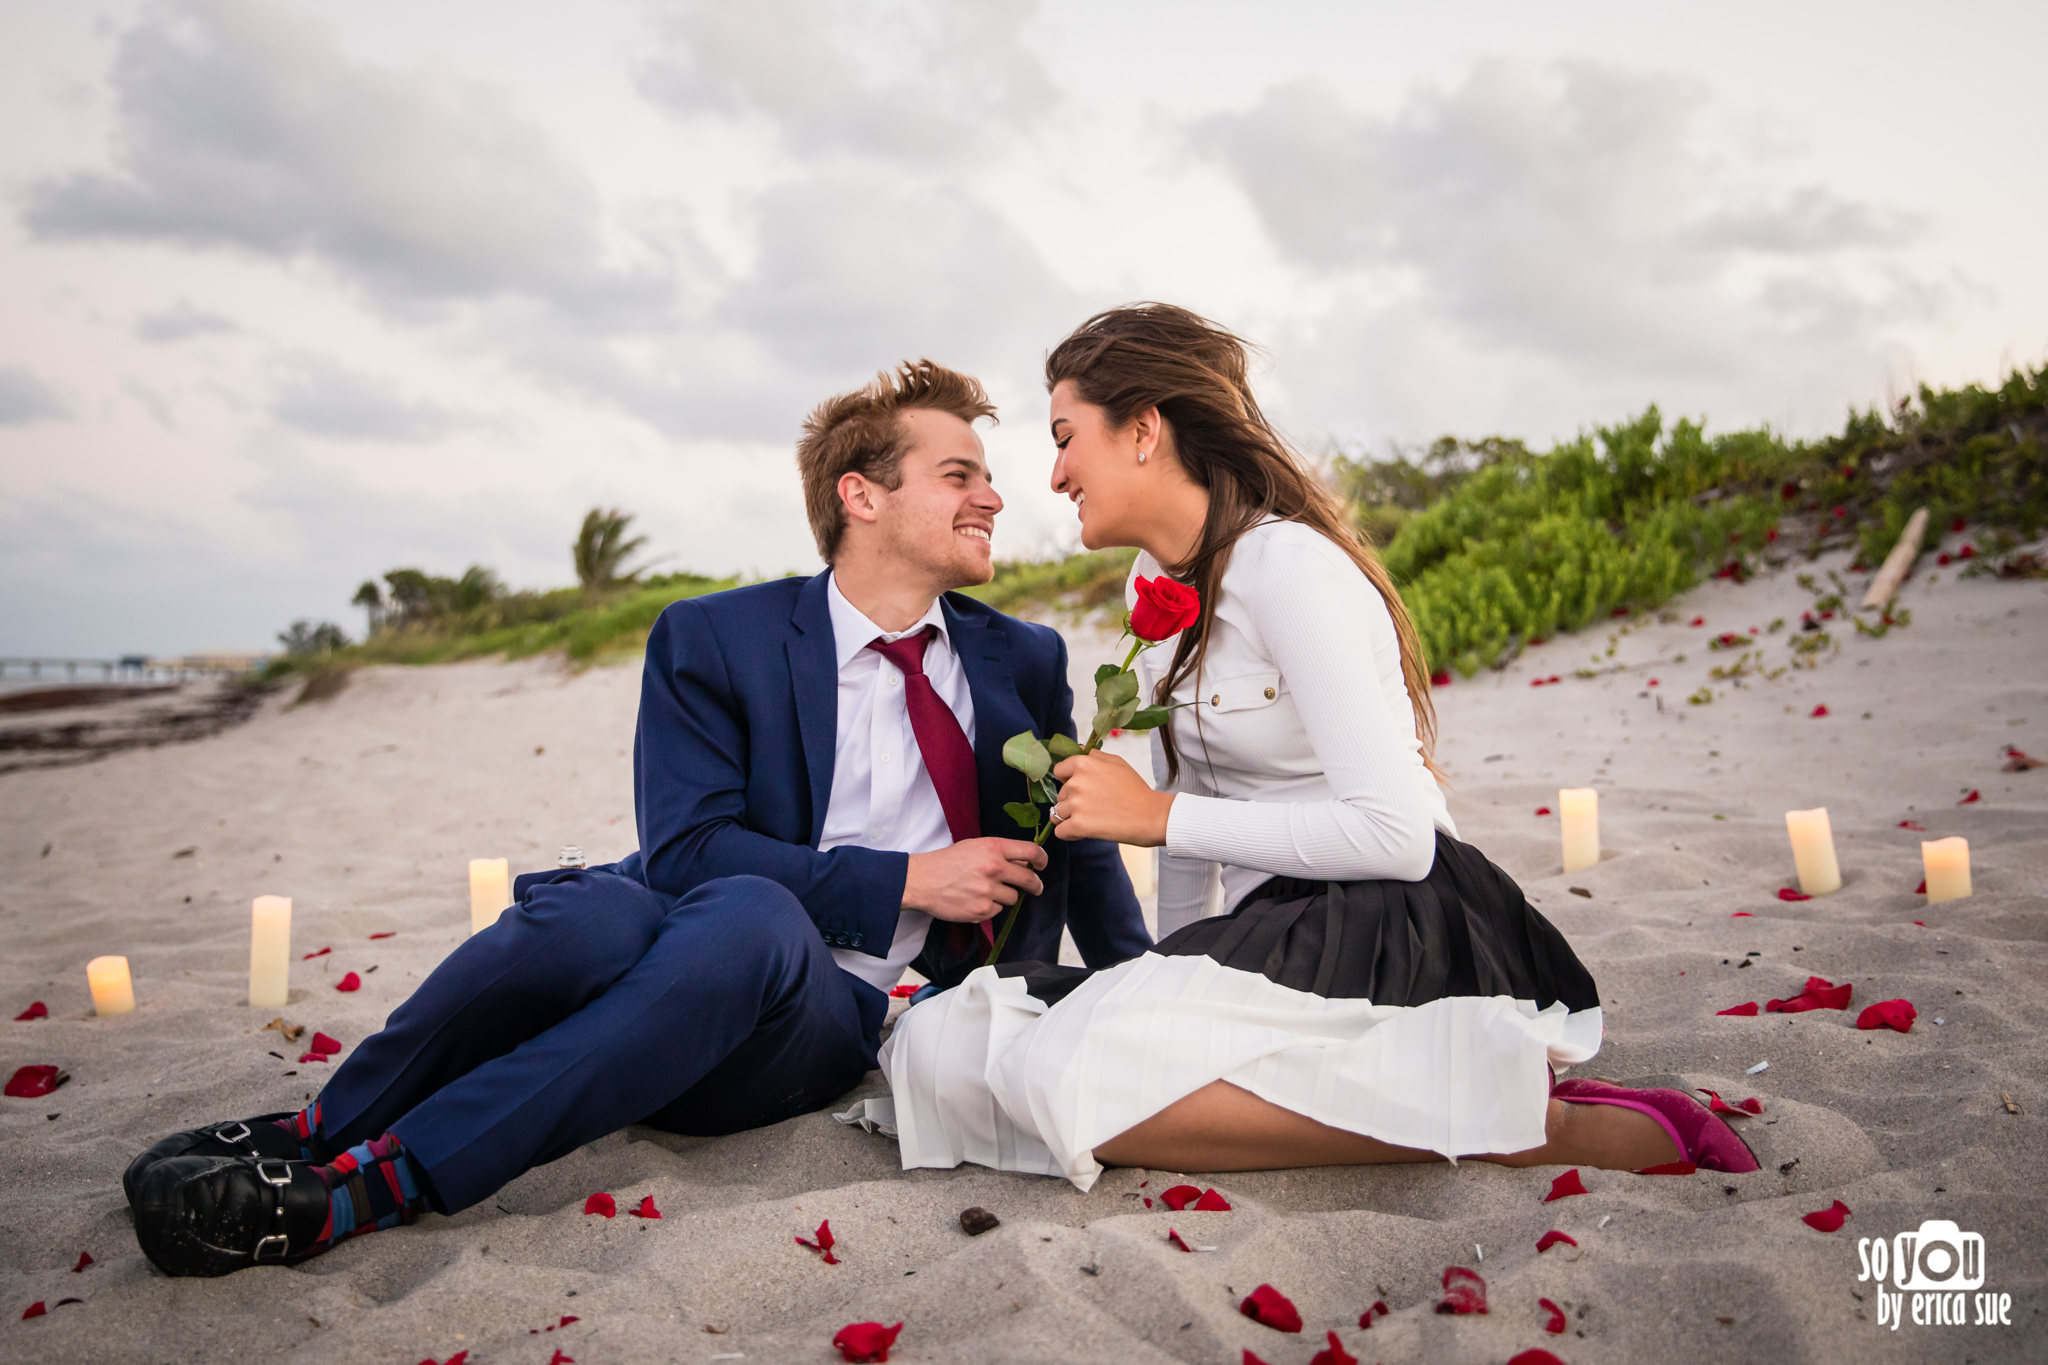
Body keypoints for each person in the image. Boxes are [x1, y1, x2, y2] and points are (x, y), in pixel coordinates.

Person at [126, 360, 1150, 1276]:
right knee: (593, 915)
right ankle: (319, 1128)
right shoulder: (715, 637)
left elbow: (1082, 836)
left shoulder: (1021, 659)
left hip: (818, 1023)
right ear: (861, 496)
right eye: (958, 474)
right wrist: (909, 880)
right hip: (666, 960)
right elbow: (686, 849)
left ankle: (374, 1184)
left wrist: (1144, 986)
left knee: (747, 917)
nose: (994, 495)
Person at [879, 306, 1760, 1190]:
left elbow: (1397, 835)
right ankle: (1431, 1095)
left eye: (1068, 438)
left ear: (1144, 429)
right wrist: (1174, 975)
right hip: (1264, 936)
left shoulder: (1288, 568)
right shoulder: (1157, 584)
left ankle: (1536, 1129)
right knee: (937, 1042)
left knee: (1063, 1071)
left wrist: (1156, 816)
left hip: (1385, 917)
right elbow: (1186, 851)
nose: (1057, 472)